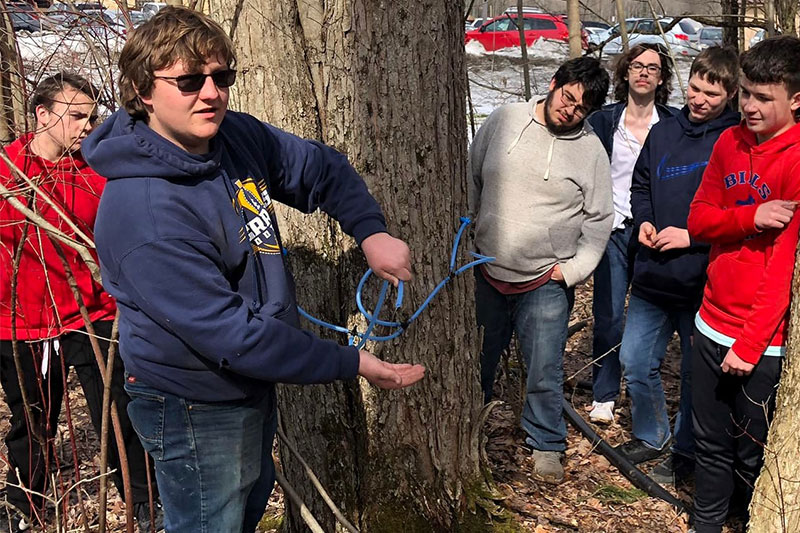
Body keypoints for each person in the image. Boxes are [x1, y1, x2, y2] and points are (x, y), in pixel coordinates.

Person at [82, 7, 425, 532]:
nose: (211, 93)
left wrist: (369, 230)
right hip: (192, 404)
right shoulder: (144, 214)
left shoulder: (234, 139)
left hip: (248, 385)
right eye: (190, 80)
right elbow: (233, 334)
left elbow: (319, 168)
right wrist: (352, 363)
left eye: (222, 77)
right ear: (143, 91)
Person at [0, 73, 161, 533]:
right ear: (42, 115)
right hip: (20, 327)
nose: (86, 127)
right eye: (75, 117)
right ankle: (23, 509)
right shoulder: (6, 171)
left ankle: (146, 502)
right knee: (31, 425)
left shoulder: (98, 173)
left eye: (91, 117)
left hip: (93, 317)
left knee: (119, 414)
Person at [469, 56, 613, 484]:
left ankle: (546, 444)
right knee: (478, 361)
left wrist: (572, 271)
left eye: (580, 108)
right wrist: (468, 236)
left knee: (544, 369)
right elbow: (471, 177)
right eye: (567, 97)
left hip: (544, 280)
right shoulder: (505, 119)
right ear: (554, 84)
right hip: (486, 268)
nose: (569, 110)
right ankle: (467, 432)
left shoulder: (590, 151)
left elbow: (599, 220)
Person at [687, 36, 800, 533]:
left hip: (761, 341)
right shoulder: (728, 140)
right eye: (746, 94)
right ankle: (705, 525)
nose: (749, 106)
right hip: (709, 322)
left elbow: (782, 268)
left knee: (753, 455)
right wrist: (752, 215)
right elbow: (698, 220)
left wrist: (750, 344)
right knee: (708, 445)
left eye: (762, 98)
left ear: (795, 99)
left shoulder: (796, 161)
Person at [613, 47, 741, 485]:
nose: (699, 99)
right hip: (652, 272)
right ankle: (652, 434)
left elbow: (741, 212)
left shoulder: (736, 140)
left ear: (730, 95)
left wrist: (693, 236)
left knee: (693, 375)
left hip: (701, 278)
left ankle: (685, 452)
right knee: (634, 360)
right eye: (694, 88)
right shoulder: (665, 130)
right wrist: (646, 219)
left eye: (711, 93)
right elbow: (641, 183)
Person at [586, 43, 677, 424]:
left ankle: (643, 393)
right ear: (624, 73)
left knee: (647, 316)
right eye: (636, 66)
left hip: (652, 232)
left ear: (661, 78)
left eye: (652, 68)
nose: (643, 73)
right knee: (608, 314)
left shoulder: (673, 124)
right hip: (611, 229)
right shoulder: (604, 120)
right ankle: (604, 393)